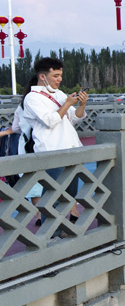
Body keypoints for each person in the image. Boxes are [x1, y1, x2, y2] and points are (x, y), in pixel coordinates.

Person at [20, 57, 90, 227]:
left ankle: (65, 231)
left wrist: (81, 104)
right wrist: (66, 104)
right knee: (52, 198)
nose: (60, 79)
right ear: (43, 76)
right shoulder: (32, 98)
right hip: (52, 151)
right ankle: (50, 235)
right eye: (56, 76)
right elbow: (49, 121)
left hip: (71, 149)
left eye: (60, 75)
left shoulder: (58, 94)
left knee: (69, 196)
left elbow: (75, 118)